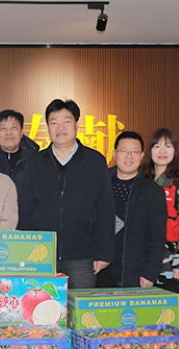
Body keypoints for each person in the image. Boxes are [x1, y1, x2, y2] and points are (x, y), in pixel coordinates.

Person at [17, 99, 114, 289]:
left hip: (83, 255)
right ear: (48, 127)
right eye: (54, 122)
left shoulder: (94, 161)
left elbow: (105, 209)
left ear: (77, 124)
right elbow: (25, 207)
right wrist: (24, 249)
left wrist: (104, 253)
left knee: (80, 306)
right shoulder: (35, 162)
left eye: (66, 121)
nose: (60, 127)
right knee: (42, 302)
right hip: (40, 253)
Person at [96, 132, 167, 288]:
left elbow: (157, 237)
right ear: (114, 154)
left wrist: (150, 272)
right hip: (98, 269)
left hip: (134, 271)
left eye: (134, 152)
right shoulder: (98, 185)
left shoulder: (152, 191)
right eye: (124, 151)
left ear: (141, 156)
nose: (129, 156)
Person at [142, 128, 179, 288]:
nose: (162, 151)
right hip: (142, 259)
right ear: (150, 151)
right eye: (157, 146)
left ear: (175, 151)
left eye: (168, 146)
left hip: (171, 262)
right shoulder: (141, 181)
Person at [0, 109, 40, 188]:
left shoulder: (36, 159)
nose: (9, 132)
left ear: (21, 132)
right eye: (3, 128)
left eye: (13, 128)